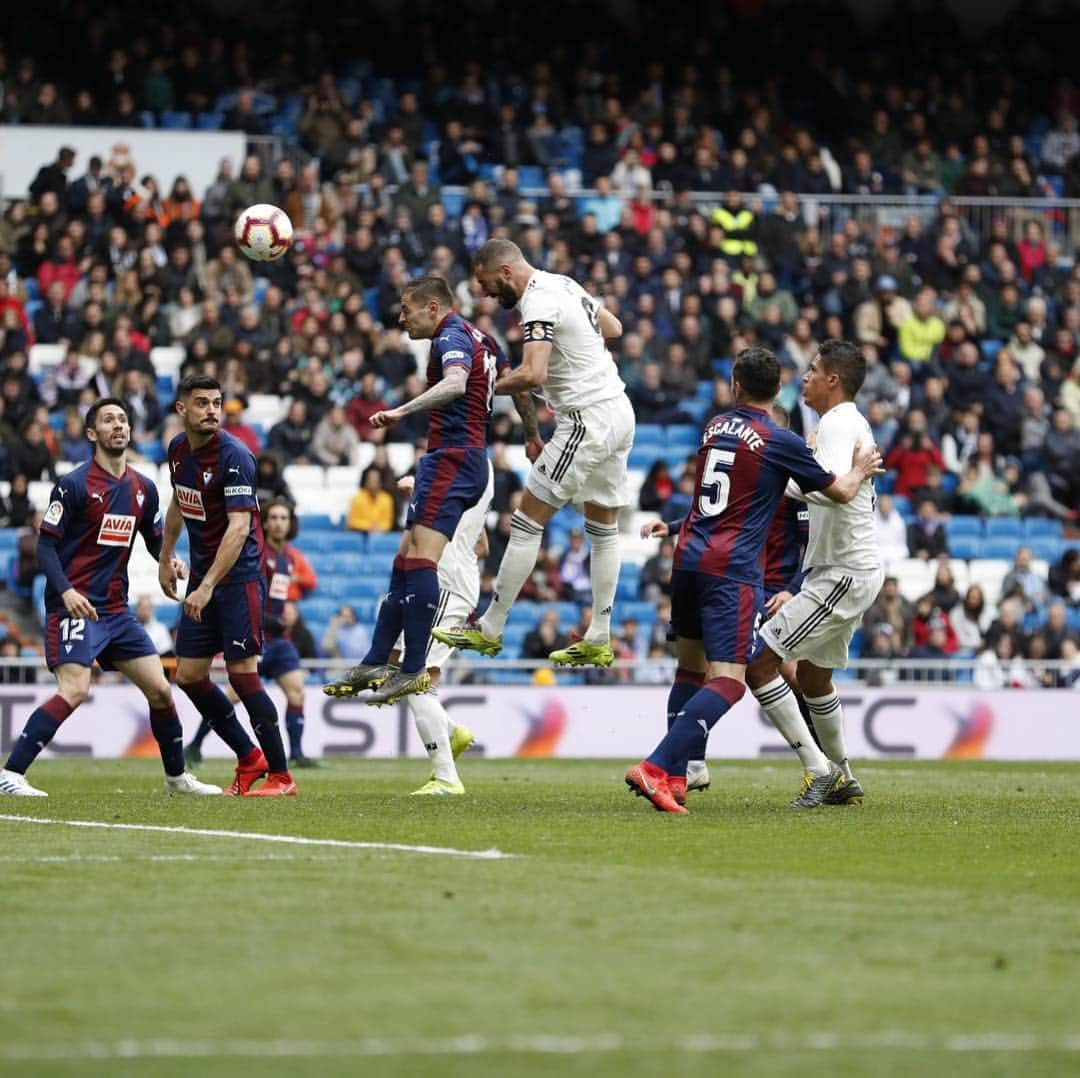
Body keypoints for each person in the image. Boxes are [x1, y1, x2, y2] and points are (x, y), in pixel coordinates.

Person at [624, 347, 882, 814]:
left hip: (701, 559)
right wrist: (859, 472)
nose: (807, 377)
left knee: (713, 667)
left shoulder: (716, 427)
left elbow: (730, 498)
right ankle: (828, 773)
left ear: (735, 386)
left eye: (814, 371)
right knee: (761, 675)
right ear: (777, 388)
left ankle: (688, 770)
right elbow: (836, 490)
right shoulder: (782, 441)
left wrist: (679, 524)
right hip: (738, 570)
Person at [0, 398, 218, 798]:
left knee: (161, 690)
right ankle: (11, 773)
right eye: (108, 420)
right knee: (76, 688)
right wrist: (65, 591)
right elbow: (45, 547)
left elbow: (154, 540)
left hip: (116, 611)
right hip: (76, 606)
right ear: (91, 434)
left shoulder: (142, 488)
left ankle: (176, 779)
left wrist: (169, 562)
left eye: (122, 419)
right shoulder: (74, 484)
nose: (118, 425)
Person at [433, 237, 633, 669]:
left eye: (486, 283)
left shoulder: (537, 301)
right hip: (618, 410)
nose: (486, 293)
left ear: (505, 271)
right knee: (603, 529)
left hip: (586, 419)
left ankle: (490, 628)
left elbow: (533, 372)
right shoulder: (562, 284)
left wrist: (476, 385)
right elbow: (613, 326)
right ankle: (599, 636)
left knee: (525, 522)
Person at [322, 275, 509, 706]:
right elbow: (502, 380)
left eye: (406, 308)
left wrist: (399, 411)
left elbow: (457, 382)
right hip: (456, 458)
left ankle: (412, 668)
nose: (399, 316)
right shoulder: (479, 335)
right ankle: (375, 659)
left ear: (432, 307)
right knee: (405, 559)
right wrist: (532, 431)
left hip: (454, 458)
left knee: (420, 561)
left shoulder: (450, 337)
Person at [745, 339, 886, 808]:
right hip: (849, 567)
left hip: (842, 570)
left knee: (759, 663)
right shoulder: (844, 424)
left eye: (812, 370)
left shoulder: (838, 421)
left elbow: (827, 489)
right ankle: (843, 775)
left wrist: (779, 476)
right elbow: (829, 481)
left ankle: (820, 770)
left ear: (833, 380)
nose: (802, 377)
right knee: (812, 677)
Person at [159, 374, 296, 797]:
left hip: (238, 579)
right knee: (190, 674)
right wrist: (165, 558)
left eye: (216, 402)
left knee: (242, 675)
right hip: (202, 576)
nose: (212, 410)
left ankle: (281, 775)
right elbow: (180, 503)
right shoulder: (178, 450)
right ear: (182, 409)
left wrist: (206, 586)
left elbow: (239, 529)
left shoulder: (236, 456)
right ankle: (248, 757)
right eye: (201, 403)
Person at [185, 499, 319, 769]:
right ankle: (195, 745)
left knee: (297, 692)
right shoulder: (257, 553)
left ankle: (297, 753)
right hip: (255, 632)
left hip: (279, 641)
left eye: (284, 518)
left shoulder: (288, 557)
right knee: (232, 696)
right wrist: (272, 620)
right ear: (265, 523)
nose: (279, 523)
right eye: (274, 517)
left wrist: (286, 615)